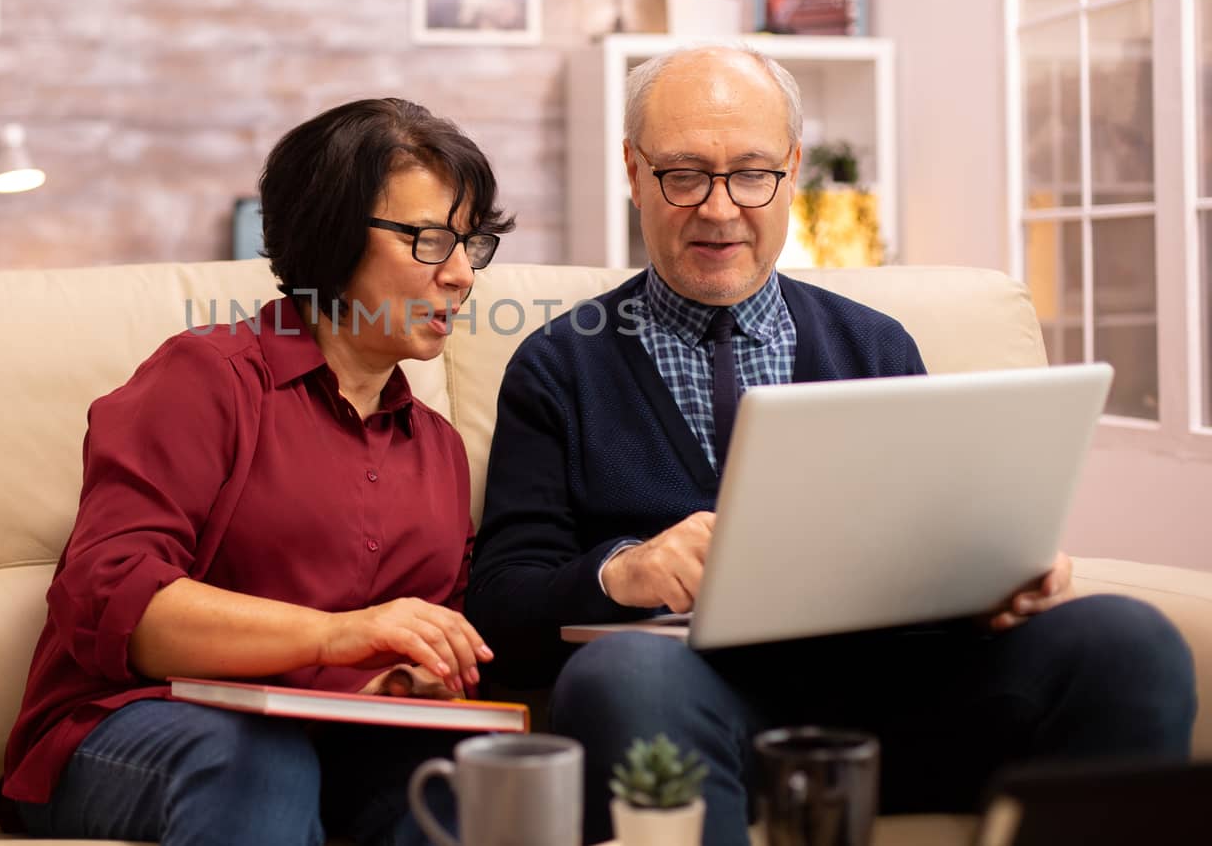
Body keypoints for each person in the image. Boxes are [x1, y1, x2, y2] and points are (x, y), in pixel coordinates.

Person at [467, 46, 1196, 846]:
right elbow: (503, 604)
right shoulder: (558, 362)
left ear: (792, 169)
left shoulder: (877, 345)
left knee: (1130, 642)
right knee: (619, 675)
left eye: (751, 173)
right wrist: (621, 571)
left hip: (906, 701)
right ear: (634, 171)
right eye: (683, 175)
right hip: (700, 705)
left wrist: (995, 580)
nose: (719, 209)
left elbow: (936, 548)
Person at [0, 98, 514, 846]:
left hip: (332, 741)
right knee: (257, 755)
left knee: (463, 775)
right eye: (430, 240)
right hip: (132, 726)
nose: (460, 275)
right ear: (333, 235)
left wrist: (415, 678)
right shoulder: (206, 378)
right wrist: (335, 637)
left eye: (469, 244)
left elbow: (425, 645)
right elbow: (112, 599)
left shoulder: (437, 449)